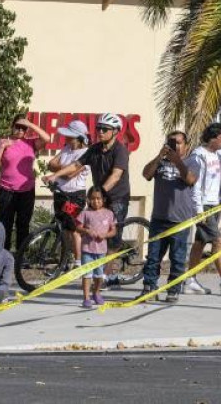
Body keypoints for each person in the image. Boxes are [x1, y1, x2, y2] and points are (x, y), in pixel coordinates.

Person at [43, 113, 130, 283]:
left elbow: (116, 175)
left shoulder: (120, 151)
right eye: (98, 128)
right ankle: (92, 269)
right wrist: (55, 176)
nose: (100, 131)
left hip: (117, 197)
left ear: (116, 132)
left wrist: (100, 194)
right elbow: (76, 165)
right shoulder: (94, 149)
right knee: (93, 231)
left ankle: (104, 276)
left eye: (105, 129)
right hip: (100, 197)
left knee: (111, 239)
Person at [139, 131, 197, 303]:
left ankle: (173, 289)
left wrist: (177, 161)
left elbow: (191, 179)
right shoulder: (161, 161)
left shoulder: (192, 161)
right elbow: (146, 174)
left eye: (179, 143)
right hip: (159, 218)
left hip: (180, 220)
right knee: (153, 256)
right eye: (172, 142)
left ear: (186, 145)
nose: (176, 146)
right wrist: (159, 156)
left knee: (177, 258)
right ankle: (149, 288)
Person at [183, 122, 221, 296]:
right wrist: (199, 211)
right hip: (204, 205)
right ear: (213, 139)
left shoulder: (219, 156)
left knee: (200, 242)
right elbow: (195, 185)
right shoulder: (198, 156)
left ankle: (190, 280)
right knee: (217, 240)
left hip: (216, 204)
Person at [0, 113, 50, 251]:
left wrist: (30, 124)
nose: (20, 131)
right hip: (7, 190)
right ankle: (3, 255)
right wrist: (2, 147)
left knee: (23, 225)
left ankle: (21, 257)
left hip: (26, 190)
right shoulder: (2, 142)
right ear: (12, 127)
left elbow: (47, 138)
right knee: (4, 224)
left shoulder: (31, 143)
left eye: (24, 128)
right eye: (18, 127)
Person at [46, 119, 90, 266]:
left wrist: (60, 169)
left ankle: (78, 262)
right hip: (60, 193)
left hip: (74, 196)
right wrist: (65, 167)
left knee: (74, 230)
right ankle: (64, 261)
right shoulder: (66, 148)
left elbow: (70, 174)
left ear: (79, 138)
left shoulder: (86, 154)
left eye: (70, 137)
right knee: (63, 230)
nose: (67, 139)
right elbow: (50, 164)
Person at [73, 186, 117, 308]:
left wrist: (105, 234)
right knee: (87, 274)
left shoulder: (109, 214)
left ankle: (96, 293)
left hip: (102, 250)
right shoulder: (85, 213)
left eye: (98, 199)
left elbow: (113, 231)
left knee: (99, 275)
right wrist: (87, 231)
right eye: (92, 199)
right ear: (88, 200)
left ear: (104, 199)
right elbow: (77, 227)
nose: (95, 201)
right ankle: (86, 298)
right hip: (87, 249)